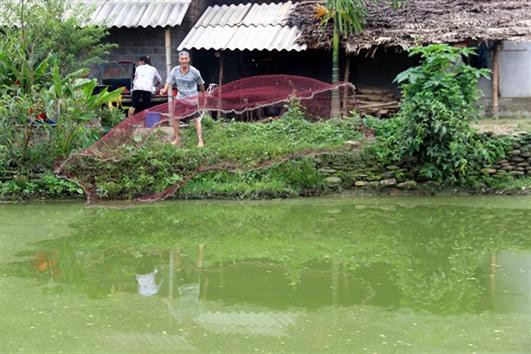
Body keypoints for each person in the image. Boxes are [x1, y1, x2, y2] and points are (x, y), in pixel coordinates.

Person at [160, 51, 205, 147]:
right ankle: (177, 139)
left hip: (192, 99)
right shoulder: (175, 70)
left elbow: (201, 84)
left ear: (188, 59)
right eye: (182, 59)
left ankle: (200, 141)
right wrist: (164, 89)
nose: (184, 61)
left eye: (185, 59)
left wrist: (203, 93)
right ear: (179, 60)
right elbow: (169, 81)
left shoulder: (195, 72)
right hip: (180, 99)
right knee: (176, 118)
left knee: (196, 119)